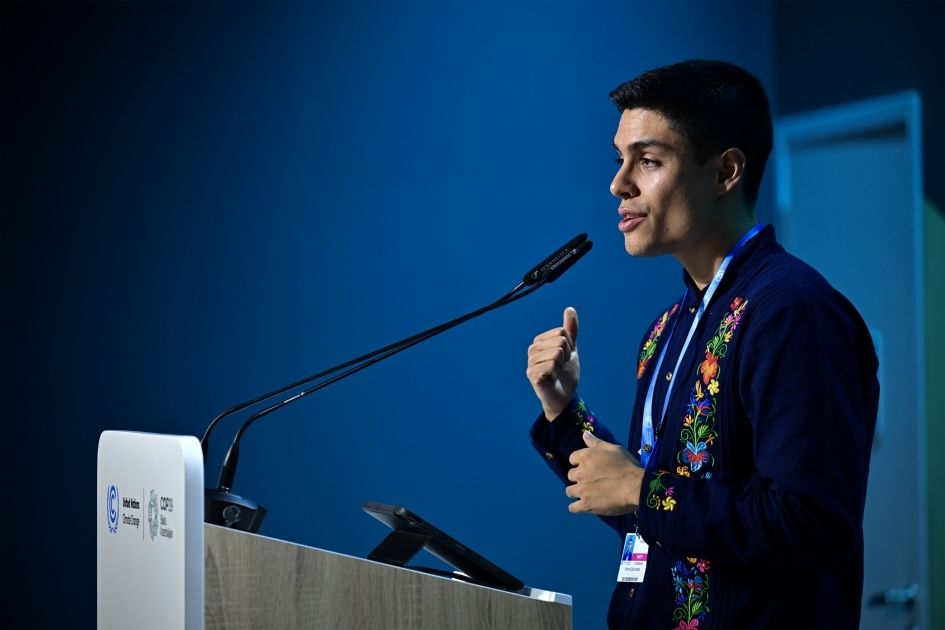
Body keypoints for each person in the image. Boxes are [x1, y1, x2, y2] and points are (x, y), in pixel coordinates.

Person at [526, 59, 879, 629]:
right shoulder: (666, 330)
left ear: (725, 172)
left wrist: (644, 490)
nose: (619, 184)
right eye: (620, 161)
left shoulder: (793, 313)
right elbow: (662, 519)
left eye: (648, 160)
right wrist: (563, 412)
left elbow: (813, 525)